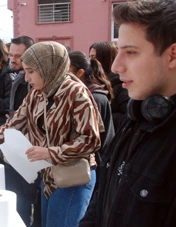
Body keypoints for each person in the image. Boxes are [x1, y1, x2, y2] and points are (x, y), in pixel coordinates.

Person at [0, 41, 102, 227]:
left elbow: (91, 140)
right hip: (49, 177)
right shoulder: (37, 93)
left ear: (47, 68)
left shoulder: (76, 93)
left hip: (72, 178)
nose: (26, 78)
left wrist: (51, 152)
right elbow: (12, 125)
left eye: (31, 71)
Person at [80, 1, 176, 226]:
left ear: (172, 55)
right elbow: (101, 201)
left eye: (131, 52)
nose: (115, 66)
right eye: (118, 50)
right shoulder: (136, 117)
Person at [1, 35, 37, 226]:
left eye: (18, 56)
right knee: (18, 199)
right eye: (11, 55)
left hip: (34, 153)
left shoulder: (37, 84)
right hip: (15, 149)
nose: (13, 59)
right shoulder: (18, 79)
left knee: (30, 199)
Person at [69, 51, 115, 164]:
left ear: (79, 73)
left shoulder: (93, 97)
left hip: (94, 164)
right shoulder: (79, 94)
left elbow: (92, 139)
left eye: (66, 71)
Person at [89, 41, 130, 133]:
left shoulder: (122, 84)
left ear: (105, 58)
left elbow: (128, 117)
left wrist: (105, 116)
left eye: (94, 57)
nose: (90, 61)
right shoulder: (93, 82)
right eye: (90, 57)